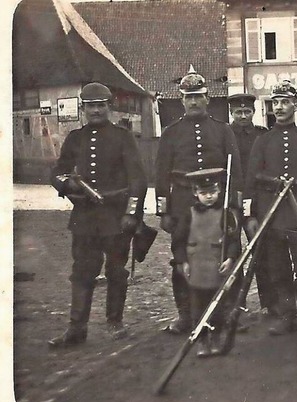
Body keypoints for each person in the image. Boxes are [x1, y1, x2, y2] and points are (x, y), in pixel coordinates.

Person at [49, 82, 147, 347]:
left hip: (116, 217)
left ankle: (115, 322)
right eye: (90, 106)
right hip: (84, 219)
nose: (95, 111)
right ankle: (76, 329)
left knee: (116, 271)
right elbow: (58, 171)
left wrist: (132, 213)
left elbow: (138, 179)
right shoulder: (75, 138)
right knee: (82, 272)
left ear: (109, 107)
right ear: (83, 108)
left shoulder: (123, 137)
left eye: (100, 106)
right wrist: (66, 184)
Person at [155, 65, 243, 334]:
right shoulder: (171, 133)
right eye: (188, 97)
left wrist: (235, 206)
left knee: (228, 252)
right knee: (183, 256)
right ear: (182, 100)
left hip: (219, 202)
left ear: (208, 99)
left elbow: (235, 170)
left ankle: (227, 311)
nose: (193, 101)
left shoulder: (223, 130)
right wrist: (164, 211)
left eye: (198, 96)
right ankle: (185, 314)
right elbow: (160, 173)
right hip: (183, 202)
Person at [243, 80, 297, 344]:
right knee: (277, 269)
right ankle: (286, 316)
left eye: (285, 102)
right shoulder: (263, 140)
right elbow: (250, 182)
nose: (279, 107)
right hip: (272, 216)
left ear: (296, 105)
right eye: (275, 103)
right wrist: (250, 216)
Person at [172, 168, 241, 357]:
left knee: (217, 308)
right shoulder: (189, 214)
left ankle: (216, 337)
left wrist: (230, 258)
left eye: (212, 192)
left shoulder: (226, 213)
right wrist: (183, 262)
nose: (209, 197)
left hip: (216, 270)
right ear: (195, 193)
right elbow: (178, 241)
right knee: (198, 309)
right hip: (196, 270)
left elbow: (233, 240)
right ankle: (202, 341)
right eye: (203, 193)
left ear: (219, 190)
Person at [228, 93, 276, 316]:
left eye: (247, 111)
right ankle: (236, 303)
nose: (243, 115)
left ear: (254, 113)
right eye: (239, 112)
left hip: (257, 201)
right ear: (232, 113)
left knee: (262, 252)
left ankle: (269, 302)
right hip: (232, 202)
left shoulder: (262, 135)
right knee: (232, 251)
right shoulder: (225, 135)